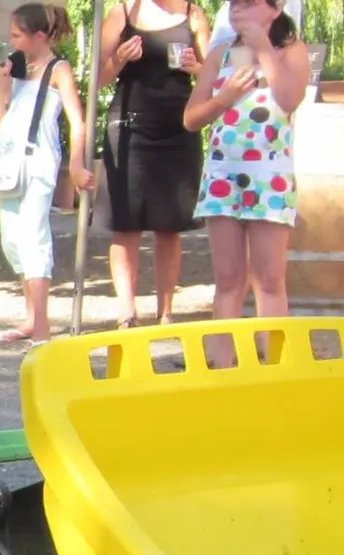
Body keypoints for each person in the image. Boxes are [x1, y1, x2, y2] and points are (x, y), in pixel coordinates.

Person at [184, 0, 308, 365]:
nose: (237, 9)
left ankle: (274, 367)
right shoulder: (220, 53)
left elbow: (288, 99)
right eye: (234, 3)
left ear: (274, 8)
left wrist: (263, 48)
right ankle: (223, 368)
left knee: (269, 279)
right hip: (223, 175)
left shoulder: (291, 50)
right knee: (228, 279)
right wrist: (224, 98)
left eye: (248, 3)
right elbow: (191, 118)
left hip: (269, 178)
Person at [93, 0, 212, 328]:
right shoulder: (122, 12)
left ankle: (166, 312)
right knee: (126, 223)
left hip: (179, 125)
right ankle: (126, 312)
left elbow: (217, 77)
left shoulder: (194, 15)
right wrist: (119, 58)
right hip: (130, 124)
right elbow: (97, 78)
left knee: (169, 225)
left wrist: (196, 69)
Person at [0, 3, 93, 346]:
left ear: (37, 35)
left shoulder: (58, 69)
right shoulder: (17, 68)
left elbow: (77, 120)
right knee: (12, 241)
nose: (11, 40)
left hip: (39, 162)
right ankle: (31, 318)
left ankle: (43, 325)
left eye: (17, 35)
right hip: (9, 163)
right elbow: (0, 123)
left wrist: (76, 165)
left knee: (34, 239)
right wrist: (3, 88)